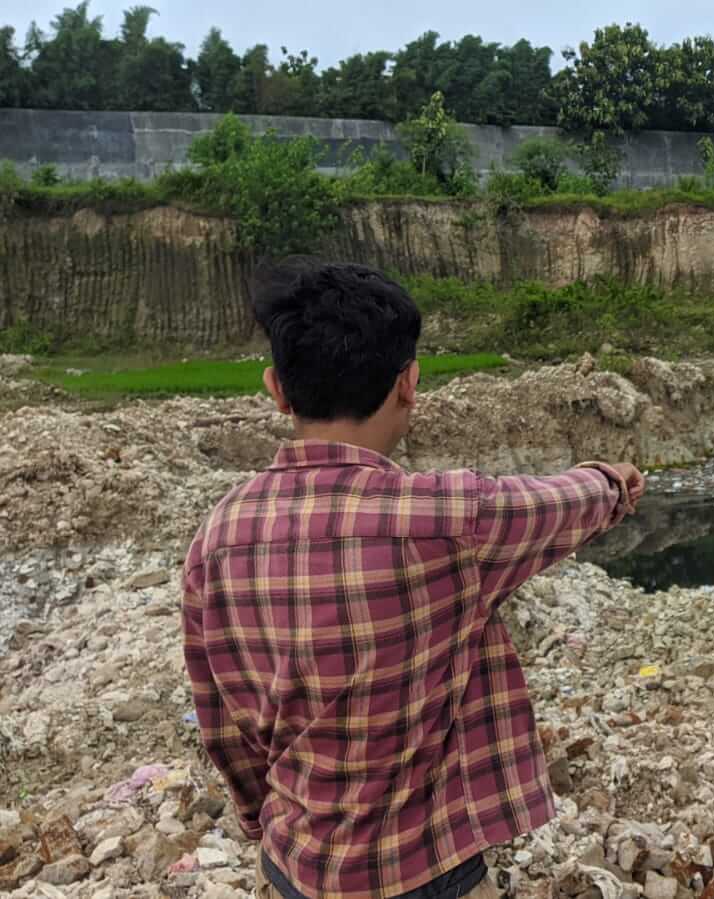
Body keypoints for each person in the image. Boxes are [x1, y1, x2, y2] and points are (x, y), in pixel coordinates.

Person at [181, 262, 644, 899]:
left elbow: (222, 721)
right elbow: (561, 502)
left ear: (277, 390)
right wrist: (613, 481)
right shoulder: (452, 520)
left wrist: (264, 820)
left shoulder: (217, 535)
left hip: (295, 863)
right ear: (409, 383)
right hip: (426, 868)